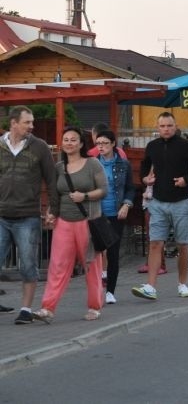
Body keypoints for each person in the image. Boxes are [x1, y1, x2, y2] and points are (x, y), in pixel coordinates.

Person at [33, 126, 108, 323]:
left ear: (82, 143)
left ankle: (94, 307)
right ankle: (47, 308)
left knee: (91, 265)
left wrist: (84, 196)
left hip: (87, 221)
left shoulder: (93, 164)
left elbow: (103, 190)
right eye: (66, 139)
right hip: (64, 222)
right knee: (57, 266)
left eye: (73, 139)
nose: (69, 143)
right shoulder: (58, 167)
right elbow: (55, 195)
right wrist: (51, 212)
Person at [132, 112, 188, 301]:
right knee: (156, 243)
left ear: (175, 126)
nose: (166, 129)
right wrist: (144, 178)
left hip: (181, 202)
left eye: (169, 125)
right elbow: (144, 165)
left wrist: (186, 180)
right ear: (157, 128)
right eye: (162, 126)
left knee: (183, 245)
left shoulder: (185, 145)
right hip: (158, 202)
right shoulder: (152, 146)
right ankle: (150, 286)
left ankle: (182, 284)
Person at [0, 106, 59, 324]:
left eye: (32, 122)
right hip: (1, 215)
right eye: (27, 122)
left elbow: (51, 179)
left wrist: (53, 208)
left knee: (27, 265)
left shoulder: (40, 147)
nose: (32, 126)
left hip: (28, 216)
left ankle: (25, 309)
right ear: (14, 123)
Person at [94, 129, 135, 305]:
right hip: (96, 213)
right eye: (98, 144)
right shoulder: (92, 164)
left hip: (116, 212)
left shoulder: (123, 164)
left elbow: (130, 188)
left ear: (112, 144)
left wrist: (126, 204)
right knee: (95, 253)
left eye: (104, 143)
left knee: (113, 252)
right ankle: (95, 290)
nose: (101, 147)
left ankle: (110, 291)